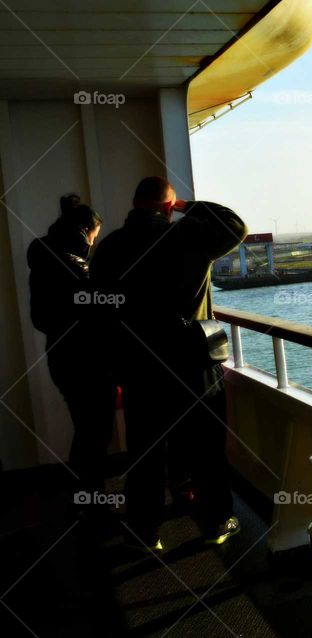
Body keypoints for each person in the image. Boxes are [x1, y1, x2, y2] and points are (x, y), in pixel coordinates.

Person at [91, 177, 247, 551]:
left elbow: (99, 313)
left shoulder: (110, 246)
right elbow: (235, 225)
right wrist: (187, 207)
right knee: (207, 449)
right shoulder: (188, 237)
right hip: (192, 364)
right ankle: (215, 522)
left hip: (138, 367)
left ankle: (145, 533)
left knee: (144, 452)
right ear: (167, 206)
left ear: (134, 202)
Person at [26, 195, 116, 513]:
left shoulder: (45, 260)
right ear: (85, 231)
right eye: (94, 235)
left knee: (86, 428)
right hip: (87, 361)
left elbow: (42, 318)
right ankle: (90, 500)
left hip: (61, 357)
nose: (95, 242)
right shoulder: (75, 268)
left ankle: (85, 496)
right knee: (96, 432)